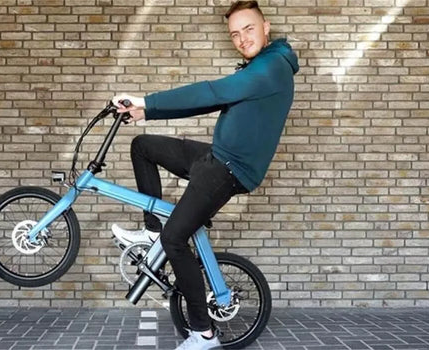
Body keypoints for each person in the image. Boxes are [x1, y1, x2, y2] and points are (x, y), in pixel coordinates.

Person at [111, 1, 299, 349]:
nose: (242, 38)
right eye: (235, 34)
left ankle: (204, 333)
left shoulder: (273, 67)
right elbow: (209, 101)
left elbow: (212, 91)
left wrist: (145, 97)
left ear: (266, 26)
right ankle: (152, 232)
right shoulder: (260, 66)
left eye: (249, 28)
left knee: (176, 239)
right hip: (215, 158)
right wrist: (145, 112)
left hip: (228, 170)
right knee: (143, 146)